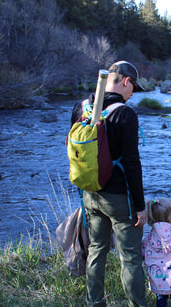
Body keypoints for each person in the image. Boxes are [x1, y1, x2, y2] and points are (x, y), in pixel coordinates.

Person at [71, 61, 148, 307]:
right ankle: (137, 304)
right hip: (119, 198)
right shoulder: (125, 113)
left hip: (90, 194)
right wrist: (140, 206)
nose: (132, 93)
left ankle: (94, 302)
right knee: (130, 257)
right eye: (133, 87)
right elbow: (132, 163)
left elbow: (75, 154)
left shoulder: (80, 108)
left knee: (97, 249)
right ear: (125, 81)